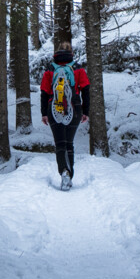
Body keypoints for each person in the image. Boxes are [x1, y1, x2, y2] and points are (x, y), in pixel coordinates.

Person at [40, 42, 90, 190]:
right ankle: (69, 174)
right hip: (73, 107)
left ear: (56, 53)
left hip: (53, 107)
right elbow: (86, 90)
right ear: (71, 53)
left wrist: (44, 113)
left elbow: (44, 92)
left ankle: (63, 171)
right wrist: (85, 111)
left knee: (60, 144)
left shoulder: (50, 69)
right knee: (69, 144)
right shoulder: (78, 69)